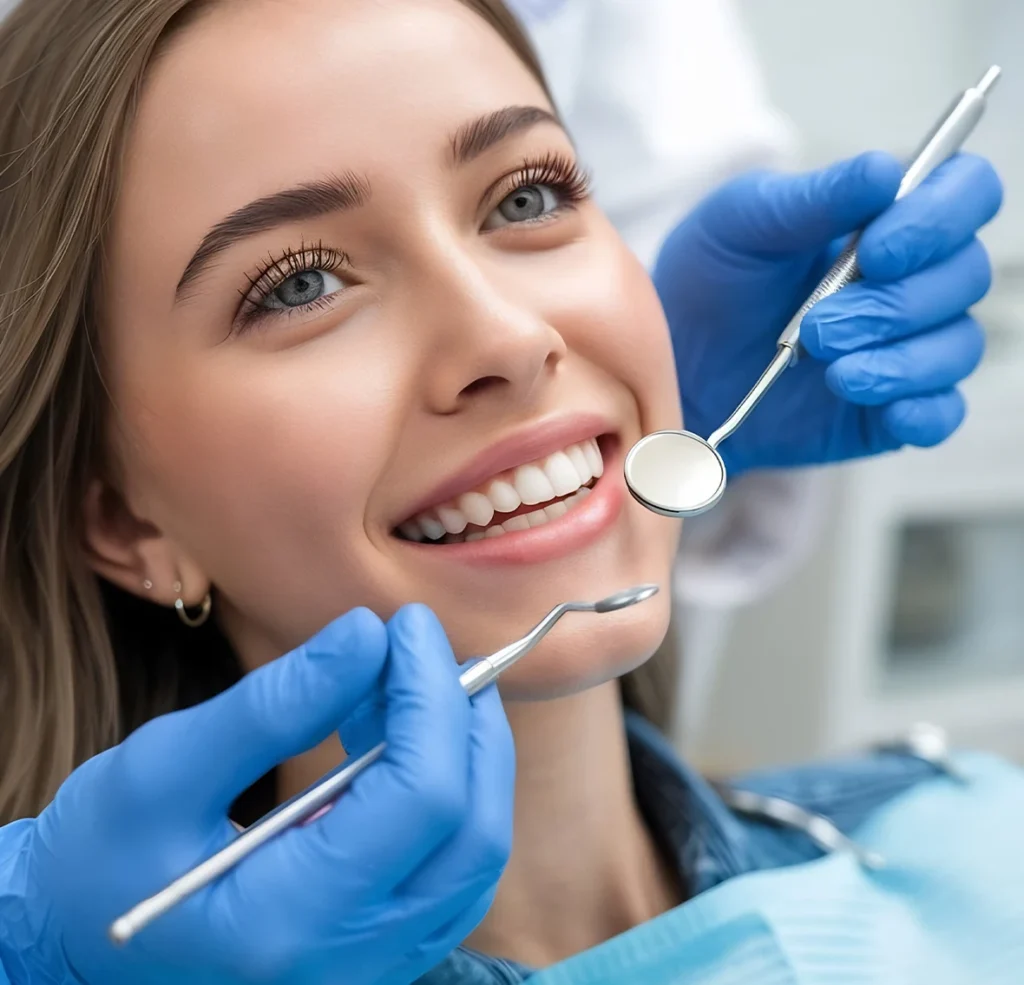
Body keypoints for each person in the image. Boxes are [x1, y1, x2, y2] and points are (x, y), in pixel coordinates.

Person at [0, 1, 1007, 984]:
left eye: (525, 197)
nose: (509, 338)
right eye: (299, 285)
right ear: (127, 521)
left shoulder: (972, 839)